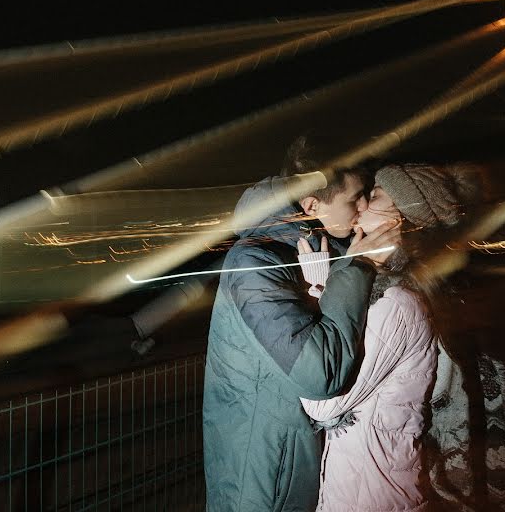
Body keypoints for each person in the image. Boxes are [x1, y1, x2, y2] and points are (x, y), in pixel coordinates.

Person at [202, 136, 400, 512]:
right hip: (263, 467)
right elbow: (319, 375)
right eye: (354, 198)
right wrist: (359, 267)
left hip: (294, 455)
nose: (362, 206)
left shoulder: (318, 246)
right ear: (311, 205)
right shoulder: (255, 263)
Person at [299, 163, 479, 512]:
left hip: (374, 498)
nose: (361, 205)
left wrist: (324, 290)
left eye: (375, 197)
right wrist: (331, 283)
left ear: (401, 223)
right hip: (364, 487)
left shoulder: (396, 303)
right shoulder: (383, 291)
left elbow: (322, 400)